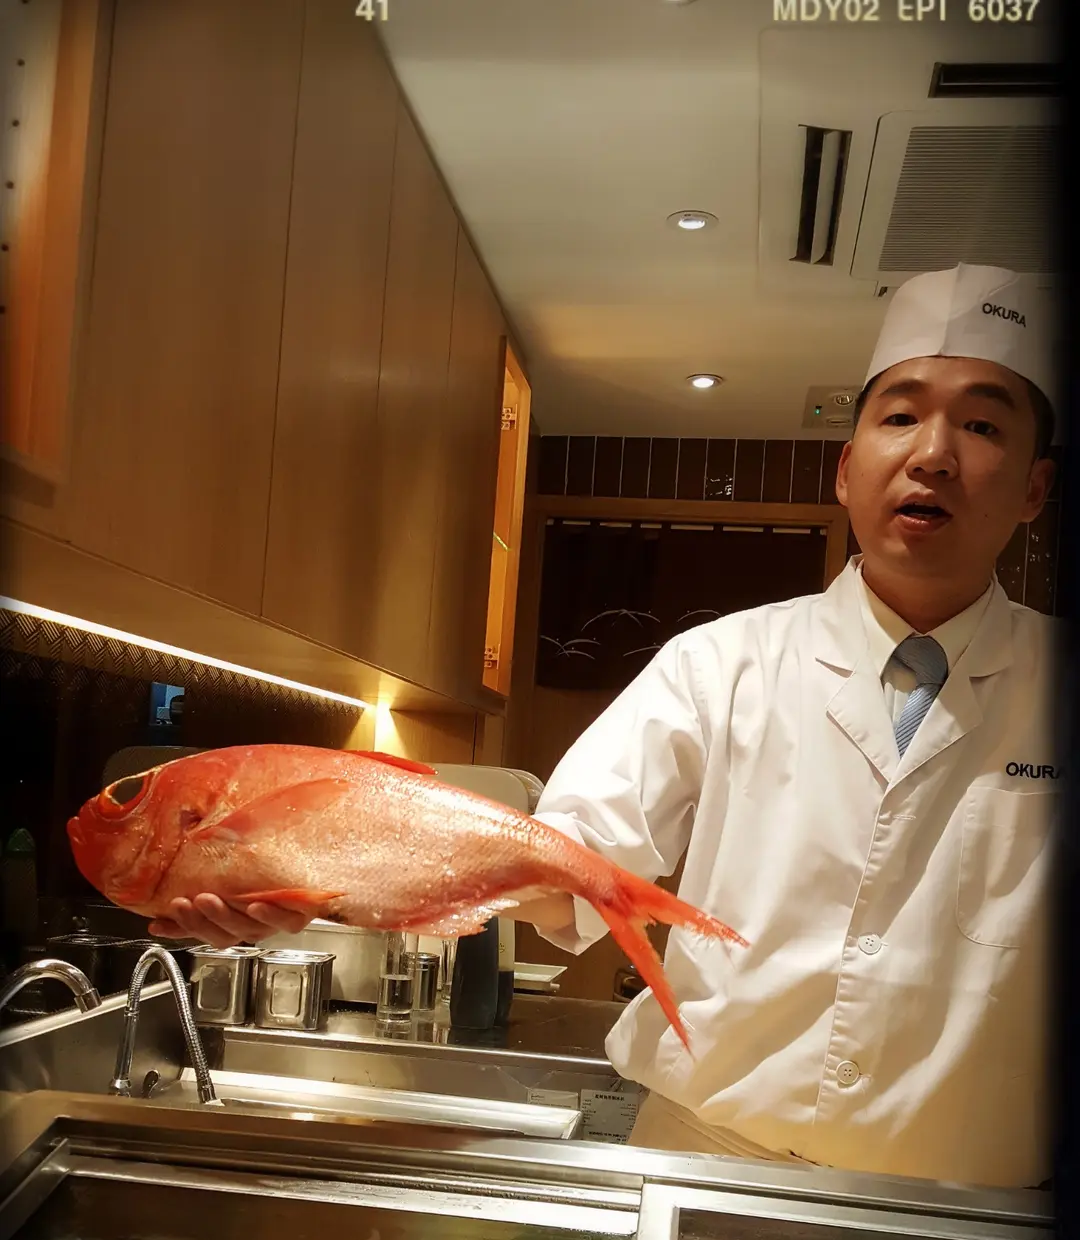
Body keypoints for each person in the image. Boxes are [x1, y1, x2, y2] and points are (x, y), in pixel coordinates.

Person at [155, 263, 1058, 1190]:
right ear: (844, 467)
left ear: (1035, 488)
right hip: (708, 1164)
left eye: (982, 426)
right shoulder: (718, 664)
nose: (933, 454)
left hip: (973, 1206)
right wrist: (316, 878)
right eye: (900, 416)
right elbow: (570, 870)